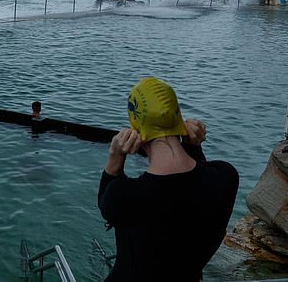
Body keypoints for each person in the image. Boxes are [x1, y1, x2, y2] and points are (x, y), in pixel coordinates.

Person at [97, 77, 239, 282]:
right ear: (179, 120)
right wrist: (193, 147)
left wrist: (114, 158)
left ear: (136, 130)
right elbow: (198, 187)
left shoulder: (125, 195)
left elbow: (105, 205)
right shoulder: (226, 177)